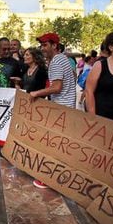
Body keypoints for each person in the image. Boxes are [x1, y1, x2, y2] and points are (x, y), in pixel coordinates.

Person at [30, 32, 76, 188]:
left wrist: (36, 93)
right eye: (41, 45)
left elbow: (56, 87)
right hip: (67, 107)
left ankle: (49, 179)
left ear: (54, 45)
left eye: (45, 45)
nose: (42, 48)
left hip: (61, 109)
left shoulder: (56, 61)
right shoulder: (64, 59)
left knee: (54, 145)